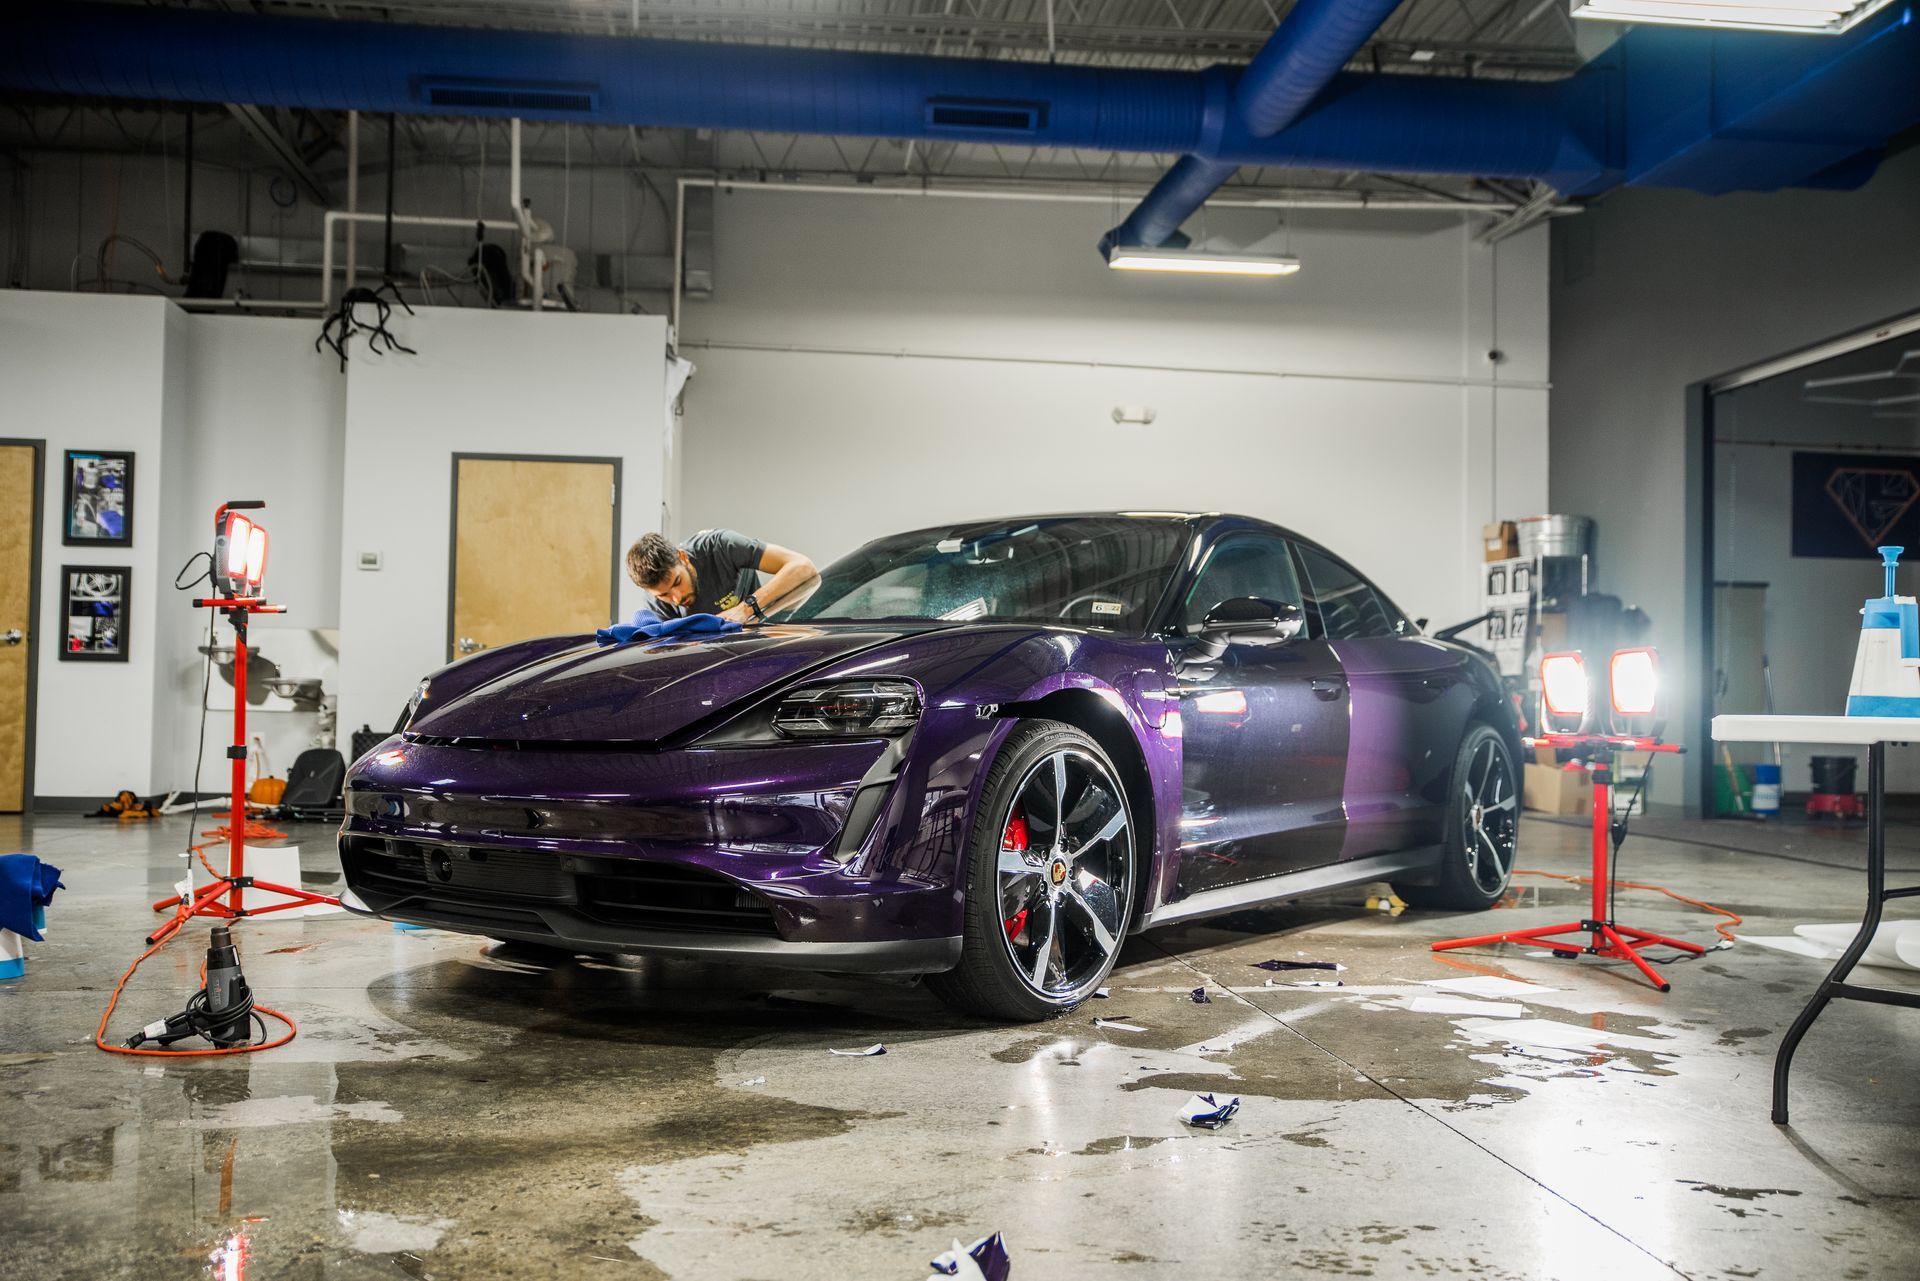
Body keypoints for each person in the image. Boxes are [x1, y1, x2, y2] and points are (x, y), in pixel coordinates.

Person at [625, 529, 816, 624]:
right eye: (664, 595)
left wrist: (746, 608)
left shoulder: (720, 546)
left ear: (682, 557)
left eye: (677, 582)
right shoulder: (655, 601)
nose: (676, 598)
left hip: (757, 639)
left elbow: (802, 566)